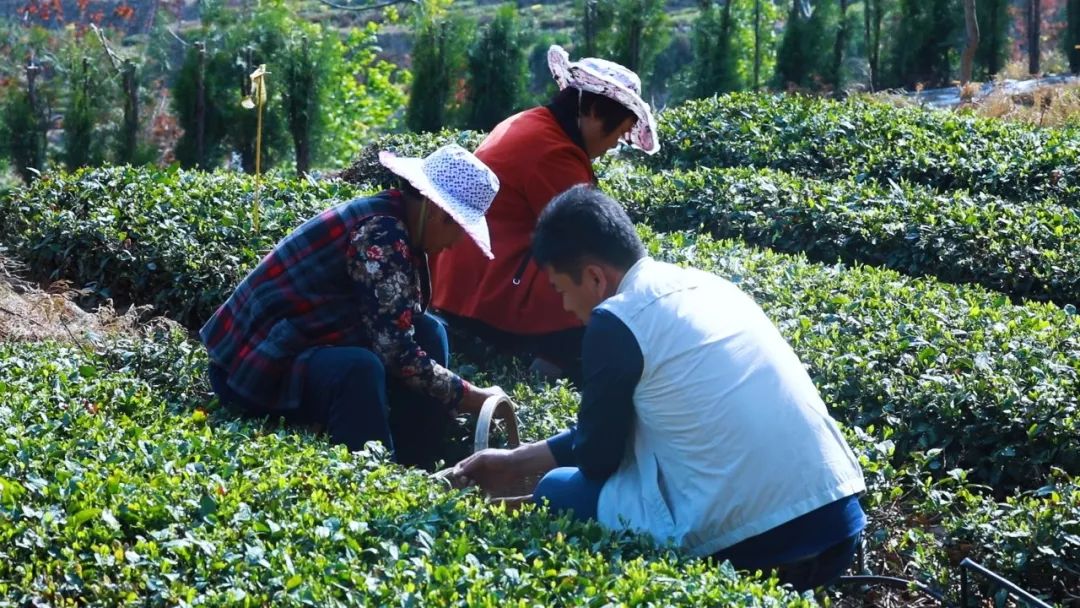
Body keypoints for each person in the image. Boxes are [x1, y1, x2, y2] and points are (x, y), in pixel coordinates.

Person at [453, 185, 867, 591]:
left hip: (759, 544)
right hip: (839, 524)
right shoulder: (709, 287)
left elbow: (596, 460)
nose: (565, 306)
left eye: (562, 290)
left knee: (557, 492)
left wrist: (528, 469)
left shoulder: (618, 319)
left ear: (594, 278)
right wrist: (516, 461)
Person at [200, 144, 507, 469]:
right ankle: (377, 478)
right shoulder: (382, 234)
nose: (455, 243)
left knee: (430, 331)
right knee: (358, 370)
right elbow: (396, 352)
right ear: (436, 211)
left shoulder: (397, 220)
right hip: (255, 365)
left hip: (303, 344)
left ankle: (418, 465)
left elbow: (396, 327)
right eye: (458, 228)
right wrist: (468, 395)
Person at [429, 45, 660, 380]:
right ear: (594, 111)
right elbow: (593, 237)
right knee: (595, 279)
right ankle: (553, 361)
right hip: (490, 289)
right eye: (619, 132)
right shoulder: (553, 152)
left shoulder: (531, 122)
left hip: (462, 285)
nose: (614, 144)